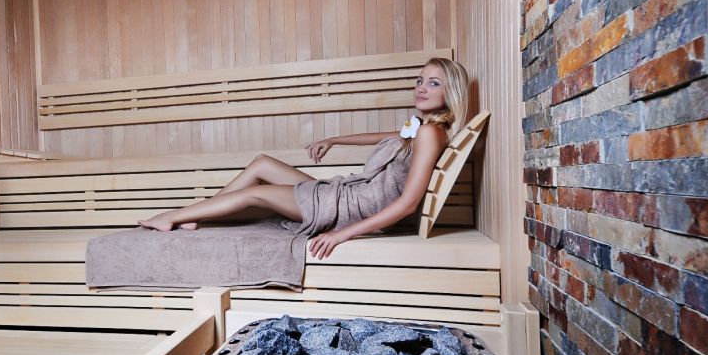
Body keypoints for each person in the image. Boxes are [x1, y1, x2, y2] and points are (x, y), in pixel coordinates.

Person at [137, 57, 469, 260]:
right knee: (263, 164)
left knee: (256, 192)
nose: (421, 88)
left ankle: (173, 216)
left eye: (433, 83)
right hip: (348, 195)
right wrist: (334, 140)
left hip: (353, 209)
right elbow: (383, 137)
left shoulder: (430, 133)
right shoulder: (421, 128)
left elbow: (408, 204)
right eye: (420, 81)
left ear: (450, 91)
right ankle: (197, 216)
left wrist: (341, 234)